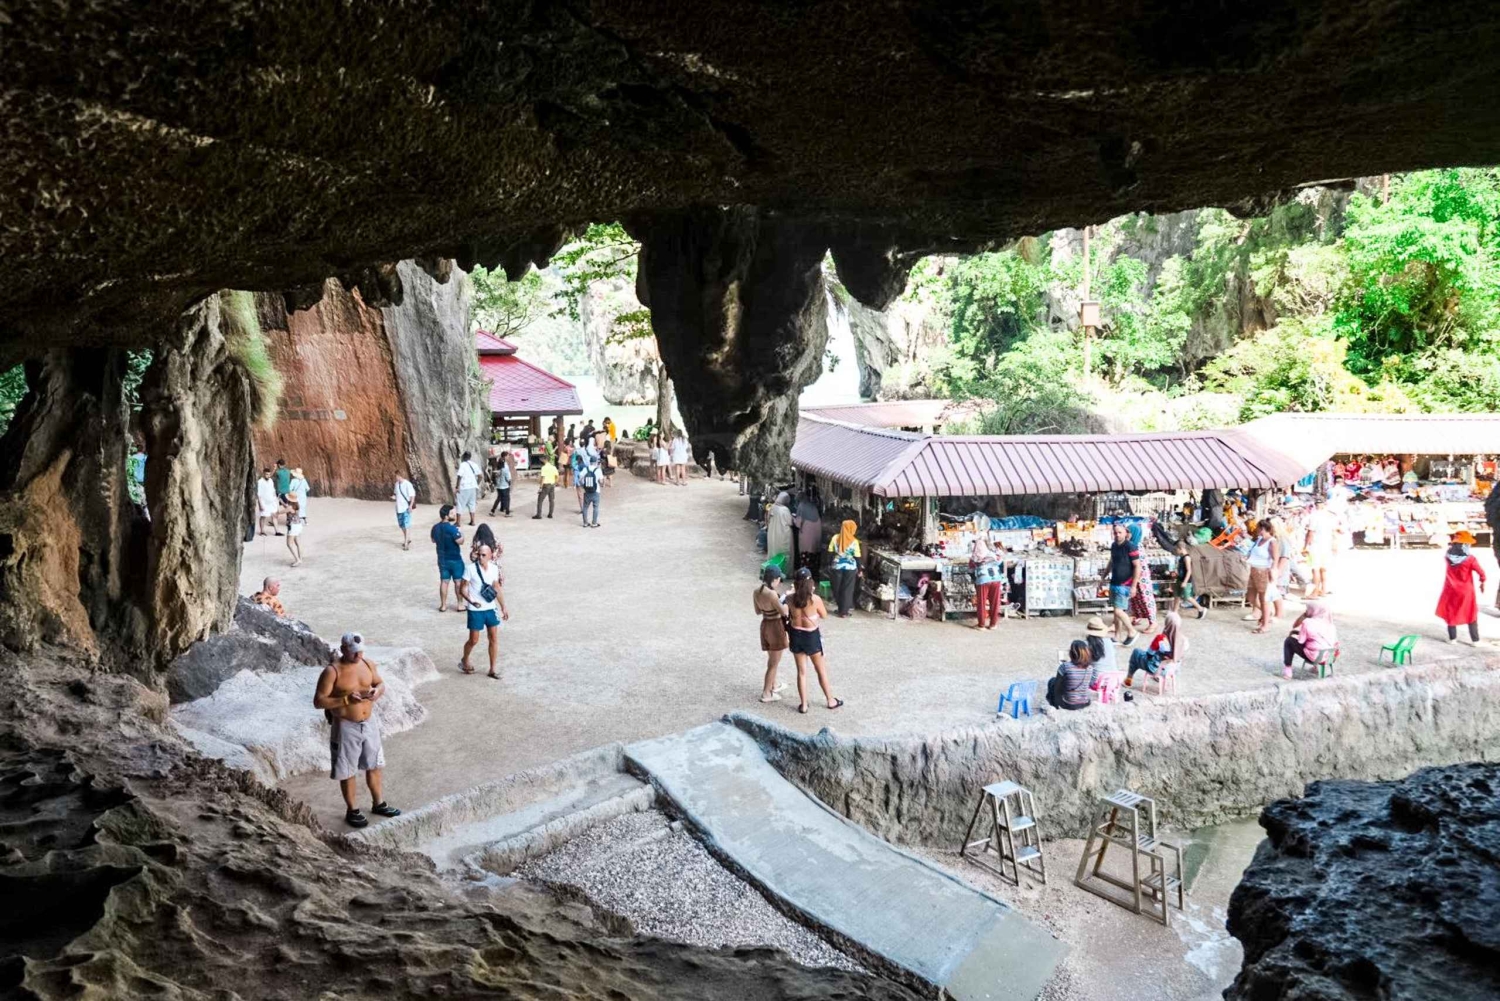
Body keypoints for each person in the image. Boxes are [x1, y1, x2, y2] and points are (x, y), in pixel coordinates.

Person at [312, 633, 400, 828]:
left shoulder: (368, 664)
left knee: (375, 764)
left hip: (369, 722)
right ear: (343, 649)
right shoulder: (332, 671)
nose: (358, 656)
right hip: (345, 724)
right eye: (353, 653)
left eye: (360, 652)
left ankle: (379, 803)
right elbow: (319, 701)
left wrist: (377, 691)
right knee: (347, 769)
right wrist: (345, 700)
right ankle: (352, 810)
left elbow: (380, 683)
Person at [787, 568, 843, 713]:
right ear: (810, 582)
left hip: (795, 634)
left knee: (801, 672)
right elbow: (824, 615)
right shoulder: (815, 599)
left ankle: (804, 705)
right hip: (811, 636)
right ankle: (830, 700)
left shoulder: (789, 598)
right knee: (820, 671)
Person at [457, 542, 508, 677]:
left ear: (490, 556)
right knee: (474, 640)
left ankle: (492, 669)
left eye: (483, 555)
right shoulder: (470, 569)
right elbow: (463, 588)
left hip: (490, 608)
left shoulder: (494, 568)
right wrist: (471, 601)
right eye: (478, 554)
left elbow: (496, 587)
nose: (480, 557)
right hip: (475, 609)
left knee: (493, 638)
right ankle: (465, 659)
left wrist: (503, 607)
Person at [1436, 530, 1487, 644]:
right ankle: (1475, 641)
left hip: (1451, 590)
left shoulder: (1448, 556)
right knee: (1471, 614)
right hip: (1466, 591)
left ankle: (1452, 639)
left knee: (1451, 612)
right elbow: (1482, 573)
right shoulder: (1470, 559)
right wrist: (1482, 582)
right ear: (1465, 545)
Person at [754, 565, 790, 703]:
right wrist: (786, 601)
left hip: (765, 625)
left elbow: (757, 611)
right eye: (778, 579)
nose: (779, 582)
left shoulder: (757, 591)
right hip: (775, 627)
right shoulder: (772, 594)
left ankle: (774, 685)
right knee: (773, 663)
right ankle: (766, 693)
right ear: (773, 579)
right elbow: (784, 612)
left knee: (771, 659)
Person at [1125, 606, 1185, 687]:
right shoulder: (1183, 640)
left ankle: (1128, 679)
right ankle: (1159, 674)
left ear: (1166, 623)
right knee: (1160, 658)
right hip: (1172, 670)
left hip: (1156, 669)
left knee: (1136, 653)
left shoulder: (1161, 639)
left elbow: (1149, 654)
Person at [1283, 601, 1338, 679]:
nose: (1306, 610)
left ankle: (1288, 670)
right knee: (1317, 643)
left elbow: (1301, 640)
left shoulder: (1307, 622)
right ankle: (1315, 668)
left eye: (1308, 609)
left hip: (1315, 657)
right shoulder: (1331, 624)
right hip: (1330, 656)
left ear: (1313, 610)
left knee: (1289, 641)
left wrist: (1304, 616)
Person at [430, 504, 466, 612]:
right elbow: (460, 541)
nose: (454, 515)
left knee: (444, 581)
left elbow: (433, 540)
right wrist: (462, 533)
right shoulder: (452, 529)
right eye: (452, 513)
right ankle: (460, 604)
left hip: (442, 558)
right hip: (455, 558)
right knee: (458, 582)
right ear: (446, 516)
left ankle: (443, 605)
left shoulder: (435, 527)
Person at [1245, 521, 1279, 633]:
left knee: (1264, 599)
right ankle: (1266, 614)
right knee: (1250, 596)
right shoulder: (1259, 539)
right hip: (1254, 569)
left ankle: (1265, 625)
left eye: (1258, 528)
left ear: (1263, 528)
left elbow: (1275, 558)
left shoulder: (1272, 542)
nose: (1256, 530)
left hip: (1264, 571)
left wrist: (1273, 571)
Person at [1108, 524, 1138, 647]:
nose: (1117, 535)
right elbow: (1111, 562)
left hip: (1125, 583)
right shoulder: (1114, 546)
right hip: (1114, 581)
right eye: (1115, 533)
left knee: (1118, 610)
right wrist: (1103, 577)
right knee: (1116, 612)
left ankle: (1132, 631)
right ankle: (1117, 635)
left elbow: (1137, 566)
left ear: (1125, 533)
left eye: (1120, 532)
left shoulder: (1130, 546)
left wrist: (1134, 585)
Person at [826, 519, 862, 618]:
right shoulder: (854, 541)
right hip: (850, 568)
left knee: (837, 588)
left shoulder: (835, 538)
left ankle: (841, 609)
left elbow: (830, 552)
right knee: (847, 589)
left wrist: (828, 565)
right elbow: (857, 557)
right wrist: (860, 570)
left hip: (836, 566)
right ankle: (844, 611)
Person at [1046, 640, 1094, 711]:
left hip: (1069, 704)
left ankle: (1054, 705)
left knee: (1052, 681)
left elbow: (1057, 686)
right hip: (1085, 703)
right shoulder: (1090, 668)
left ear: (1072, 653)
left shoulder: (1065, 666)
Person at [970, 535, 1004, 629]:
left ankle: (981, 625)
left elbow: (971, 569)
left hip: (983, 579)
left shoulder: (975, 557)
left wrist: (974, 578)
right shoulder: (994, 553)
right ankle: (993, 624)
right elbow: (1000, 561)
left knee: (981, 602)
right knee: (995, 602)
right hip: (996, 578)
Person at [1173, 540, 1206, 618]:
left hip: (1186, 580)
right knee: (1177, 595)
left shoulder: (1187, 558)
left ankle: (1201, 609)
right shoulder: (1181, 558)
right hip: (1180, 579)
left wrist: (1185, 582)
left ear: (1180, 548)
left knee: (1187, 597)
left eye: (1176, 549)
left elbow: (1189, 571)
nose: (1176, 551)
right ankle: (1174, 612)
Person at [285, 467, 310, 566]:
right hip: (302, 499)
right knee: (298, 542)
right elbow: (307, 489)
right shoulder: (303, 480)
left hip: (293, 525)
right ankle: (301, 558)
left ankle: (297, 560)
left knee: (289, 543)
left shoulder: (294, 481)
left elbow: (289, 489)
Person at [793, 493, 823, 573]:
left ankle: (805, 572)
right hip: (817, 531)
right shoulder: (813, 505)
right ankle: (814, 573)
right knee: (814, 552)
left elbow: (798, 524)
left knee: (805, 552)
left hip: (806, 532)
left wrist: (793, 519)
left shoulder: (801, 506)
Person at [576, 441, 603, 528]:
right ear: (596, 462)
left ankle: (585, 523)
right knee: (595, 507)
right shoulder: (598, 470)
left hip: (587, 491)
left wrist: (582, 484)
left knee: (585, 507)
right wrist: (601, 484)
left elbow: (580, 477)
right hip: (596, 491)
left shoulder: (586, 469)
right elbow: (601, 481)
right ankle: (594, 523)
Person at [454, 451, 483, 526]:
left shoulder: (463, 465)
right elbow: (480, 476)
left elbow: (459, 476)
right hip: (473, 487)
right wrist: (476, 483)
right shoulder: (474, 464)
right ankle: (472, 521)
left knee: (460, 504)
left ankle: (458, 522)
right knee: (472, 503)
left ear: (463, 457)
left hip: (464, 487)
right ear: (470, 457)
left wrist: (457, 487)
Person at [766, 493, 794, 565]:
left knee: (773, 551)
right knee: (783, 553)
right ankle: (783, 571)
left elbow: (767, 519)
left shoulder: (772, 507)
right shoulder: (785, 510)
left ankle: (772, 568)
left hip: (772, 533)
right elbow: (790, 522)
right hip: (783, 535)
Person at [393, 471, 417, 550]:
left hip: (406, 507)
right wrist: (393, 497)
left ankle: (406, 543)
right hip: (398, 507)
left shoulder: (407, 484)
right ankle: (408, 538)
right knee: (402, 525)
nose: (396, 477)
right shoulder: (396, 484)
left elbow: (412, 496)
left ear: (400, 476)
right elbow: (396, 494)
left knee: (406, 525)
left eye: (397, 476)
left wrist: (410, 506)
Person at [255, 467, 281, 536]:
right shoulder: (260, 482)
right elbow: (259, 494)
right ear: (263, 474)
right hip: (264, 502)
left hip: (271, 501)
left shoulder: (271, 481)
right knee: (263, 516)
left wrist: (276, 500)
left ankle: (277, 531)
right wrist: (260, 505)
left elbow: (273, 491)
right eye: (266, 474)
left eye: (269, 474)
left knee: (274, 515)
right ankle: (262, 531)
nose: (268, 476)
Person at [488, 450, 514, 517]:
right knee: (507, 499)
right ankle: (507, 513)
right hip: (504, 485)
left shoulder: (498, 464)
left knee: (499, 498)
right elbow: (508, 476)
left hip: (499, 485)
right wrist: (509, 482)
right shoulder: (505, 467)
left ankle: (492, 511)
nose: (508, 457)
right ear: (505, 457)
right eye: (507, 455)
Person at [533, 455, 558, 519]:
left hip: (546, 485)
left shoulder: (544, 468)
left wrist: (540, 487)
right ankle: (550, 514)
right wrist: (555, 483)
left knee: (540, 500)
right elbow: (557, 476)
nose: (541, 460)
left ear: (545, 459)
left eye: (542, 459)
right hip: (552, 485)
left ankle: (539, 514)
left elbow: (543, 478)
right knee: (551, 500)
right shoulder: (553, 467)